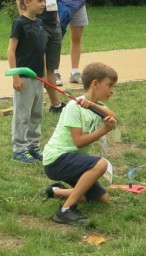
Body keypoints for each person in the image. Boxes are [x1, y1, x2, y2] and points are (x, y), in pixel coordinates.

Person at [41, 62, 118, 226]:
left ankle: (55, 191)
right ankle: (65, 211)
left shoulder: (97, 106)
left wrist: (91, 105)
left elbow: (113, 116)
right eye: (109, 85)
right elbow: (79, 142)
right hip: (56, 160)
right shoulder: (74, 106)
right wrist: (105, 130)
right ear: (95, 84)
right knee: (101, 164)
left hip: (72, 160)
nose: (112, 90)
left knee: (101, 198)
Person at [14, 0, 64, 112]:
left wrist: (56, 17)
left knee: (51, 67)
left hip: (52, 22)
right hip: (37, 24)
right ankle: (44, 103)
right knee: (40, 67)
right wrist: (27, 25)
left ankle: (55, 104)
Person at [8, 0, 48, 164]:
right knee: (22, 115)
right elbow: (11, 51)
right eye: (40, 1)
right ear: (27, 2)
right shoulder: (19, 23)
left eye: (44, 1)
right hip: (24, 77)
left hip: (38, 77)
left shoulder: (40, 23)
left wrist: (45, 75)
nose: (43, 4)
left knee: (36, 113)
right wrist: (15, 76)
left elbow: (42, 51)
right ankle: (19, 149)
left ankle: (33, 146)